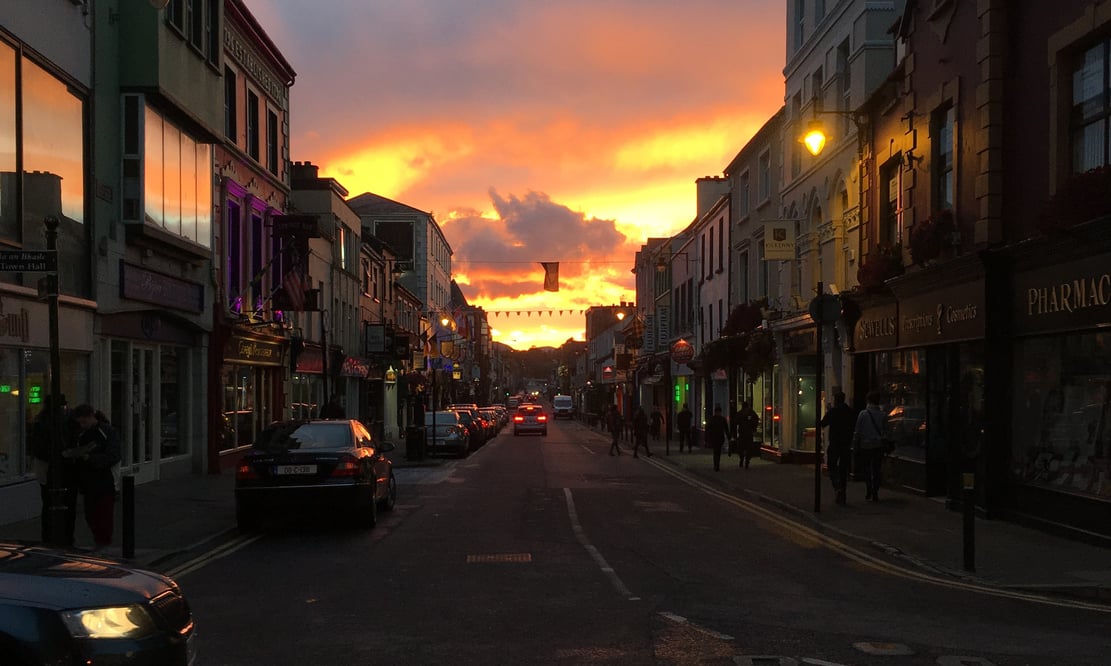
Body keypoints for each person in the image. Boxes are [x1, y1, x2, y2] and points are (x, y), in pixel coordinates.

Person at [68, 404, 121, 552]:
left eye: (84, 421)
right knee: (90, 515)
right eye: (80, 422)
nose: (82, 425)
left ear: (92, 417)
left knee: (103, 516)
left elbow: (114, 456)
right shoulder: (80, 434)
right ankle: (99, 542)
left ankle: (103, 544)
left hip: (105, 481)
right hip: (87, 481)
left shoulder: (106, 431)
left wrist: (90, 458)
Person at [30, 396, 79, 546]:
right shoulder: (47, 424)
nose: (64, 410)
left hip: (59, 467)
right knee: (57, 503)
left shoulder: (62, 422)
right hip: (55, 467)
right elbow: (39, 448)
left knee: (55, 503)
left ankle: (57, 537)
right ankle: (60, 537)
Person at [820, 391, 857, 505]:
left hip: (835, 442)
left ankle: (837, 487)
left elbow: (823, 423)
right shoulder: (850, 411)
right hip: (846, 443)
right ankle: (842, 493)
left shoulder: (833, 411)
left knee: (831, 465)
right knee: (843, 469)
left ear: (836, 399)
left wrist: (828, 411)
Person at [852, 390, 888, 502]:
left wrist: (855, 445)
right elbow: (886, 431)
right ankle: (875, 491)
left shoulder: (863, 414)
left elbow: (857, 431)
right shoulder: (883, 415)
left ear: (868, 401)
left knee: (866, 469)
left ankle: (869, 489)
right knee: (876, 469)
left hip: (865, 445)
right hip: (878, 445)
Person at [733, 400, 760, 469]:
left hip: (742, 433)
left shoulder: (740, 413)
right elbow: (756, 419)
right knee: (749, 448)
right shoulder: (751, 413)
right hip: (749, 433)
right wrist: (754, 428)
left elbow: (735, 422)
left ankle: (742, 459)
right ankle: (747, 461)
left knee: (741, 448)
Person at [705, 404, 730, 472]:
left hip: (716, 437)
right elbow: (726, 429)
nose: (718, 413)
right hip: (718, 437)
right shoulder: (722, 419)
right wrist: (728, 437)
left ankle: (716, 465)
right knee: (717, 451)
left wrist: (707, 438)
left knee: (716, 451)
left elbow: (708, 429)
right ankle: (716, 465)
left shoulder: (712, 419)